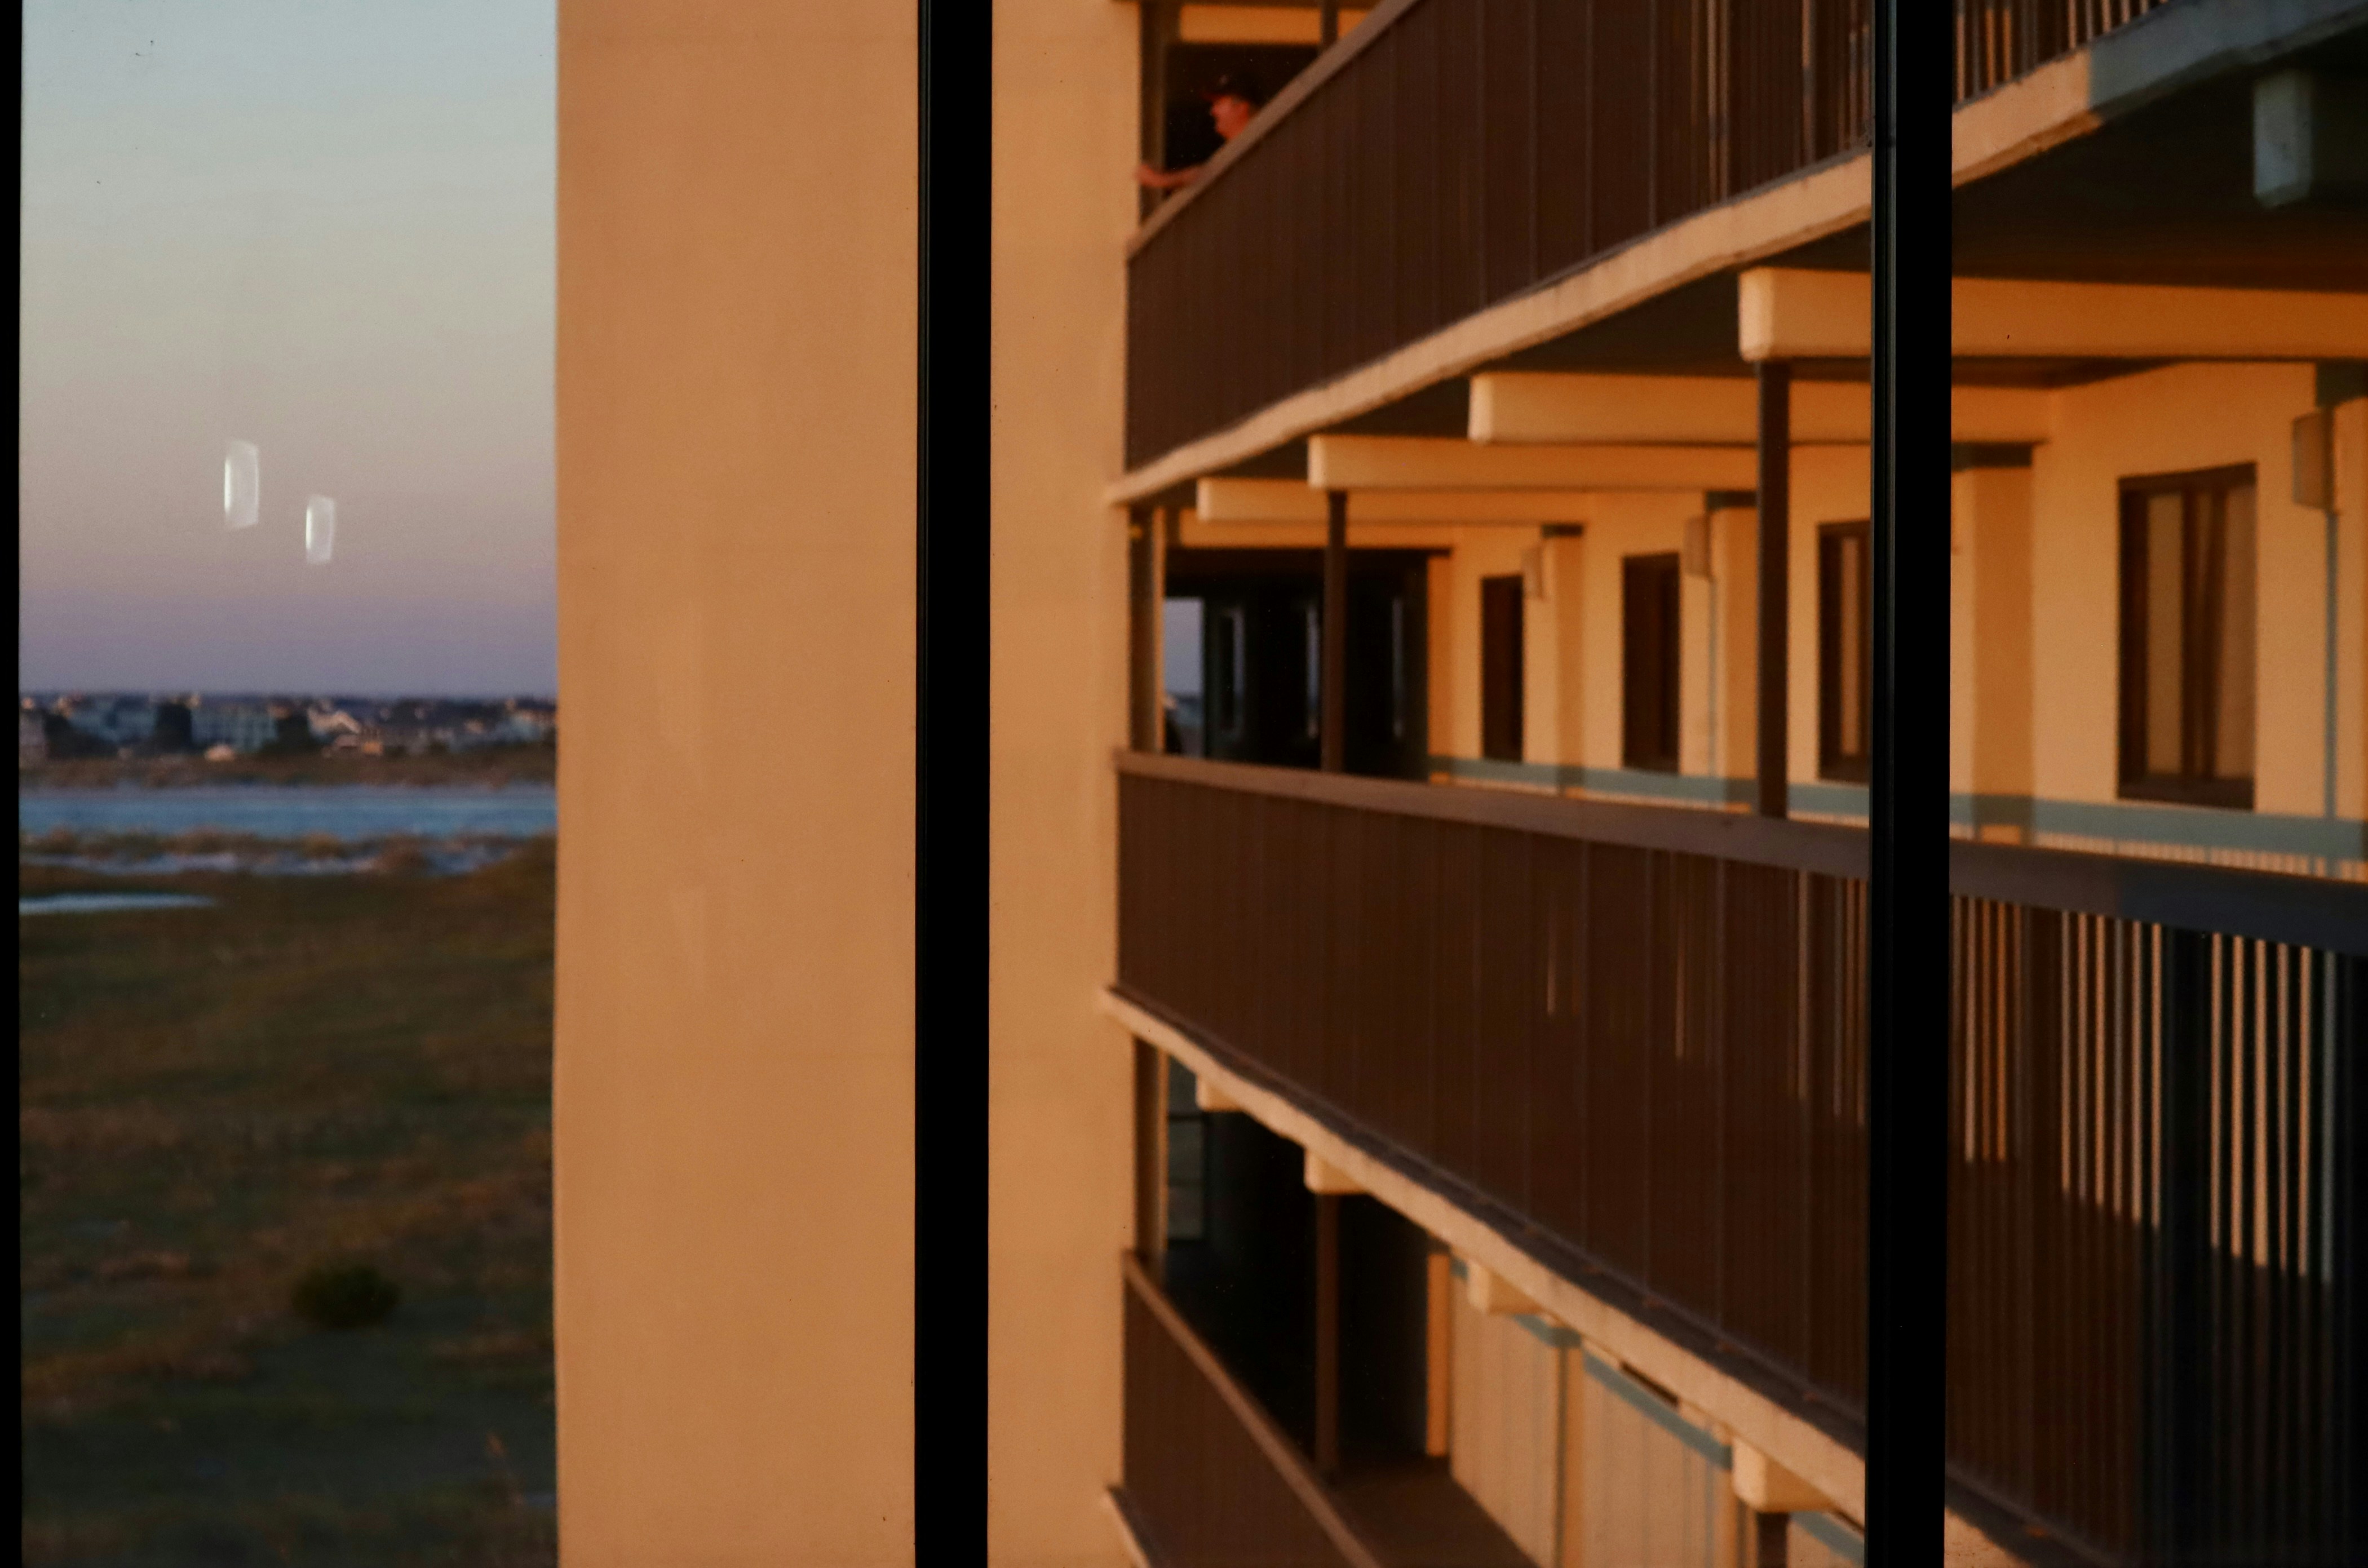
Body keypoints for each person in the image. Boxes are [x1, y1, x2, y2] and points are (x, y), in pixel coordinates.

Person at [1135, 72, 1262, 193]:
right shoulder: (1237, 147)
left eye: (1218, 103)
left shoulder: (1257, 145)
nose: (1213, 111)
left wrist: (1160, 180)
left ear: (1241, 107)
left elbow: (1206, 175)